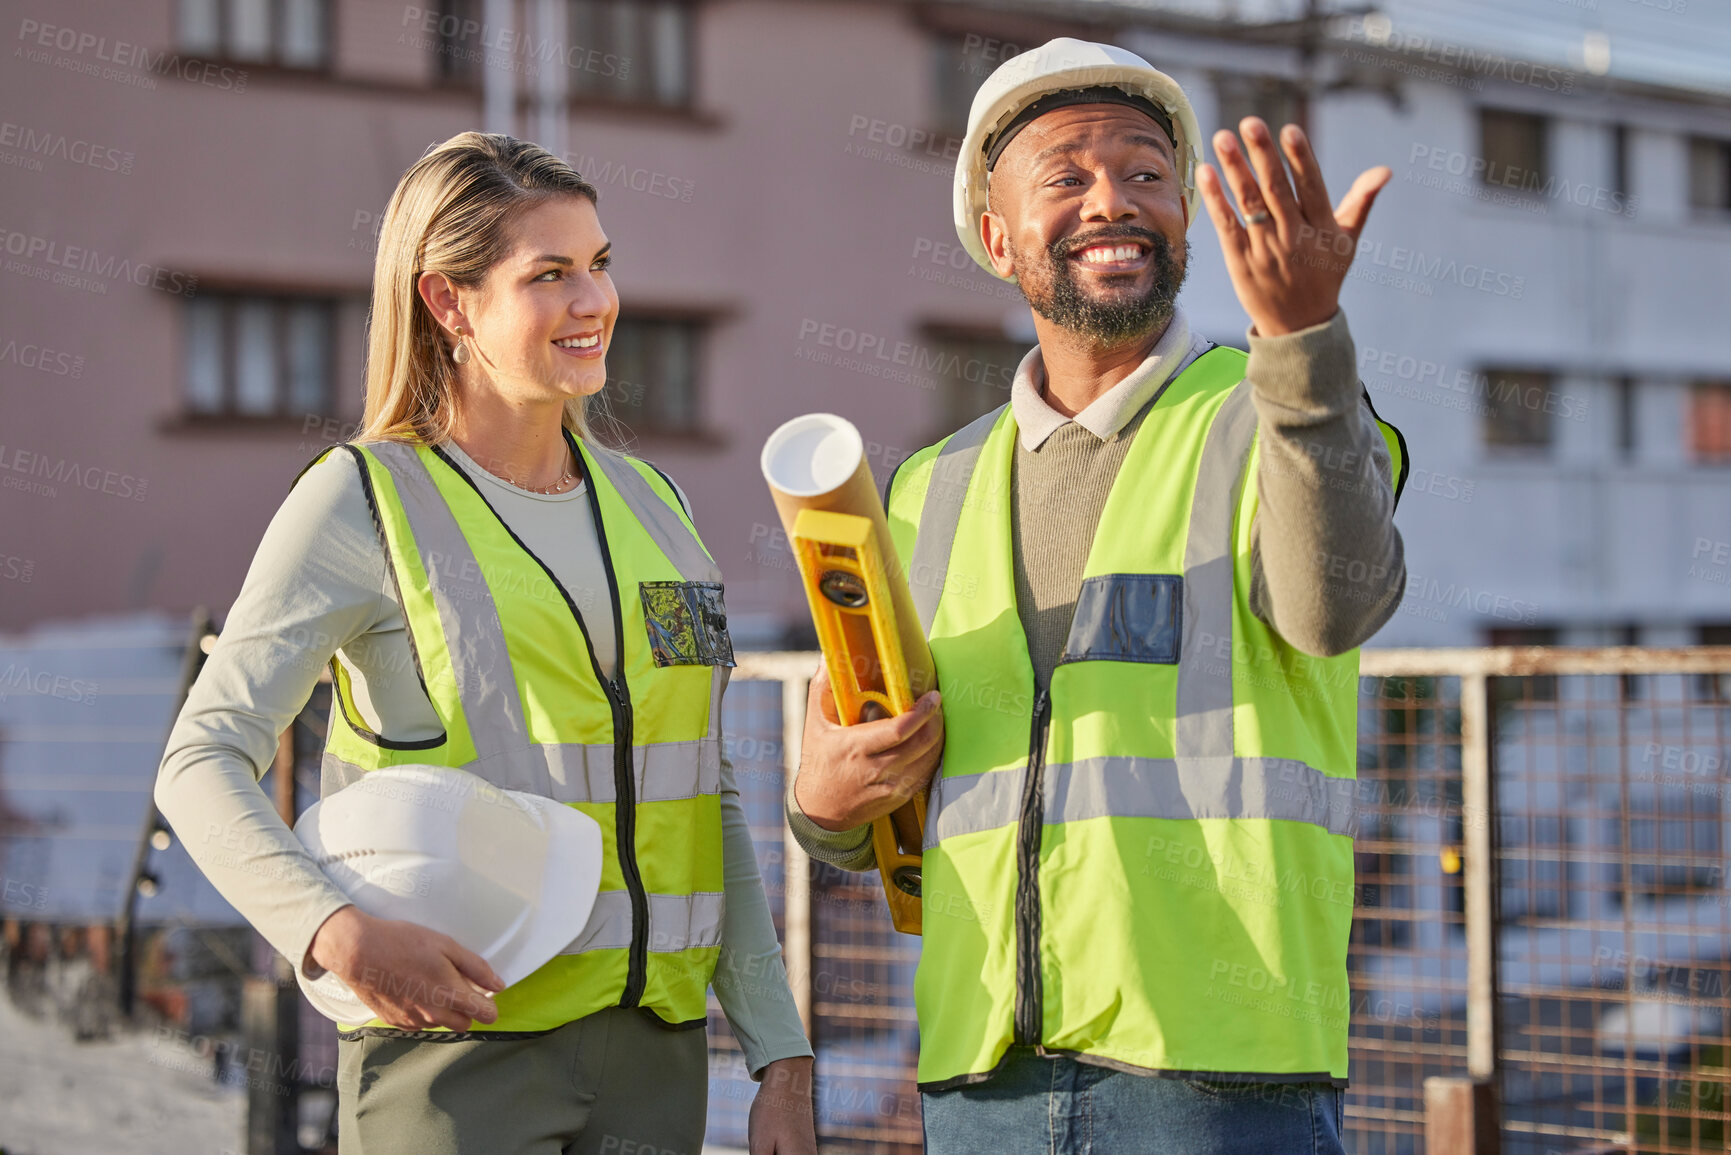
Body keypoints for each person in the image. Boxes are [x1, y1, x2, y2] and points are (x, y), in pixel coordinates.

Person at [785, 39, 1408, 1154]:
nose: (1111, 200)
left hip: (1221, 1074)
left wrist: (1303, 342)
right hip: (982, 1082)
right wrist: (825, 811)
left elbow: (1333, 609)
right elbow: (904, 801)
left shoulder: (1277, 414)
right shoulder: (929, 489)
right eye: (1066, 177)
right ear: (996, 236)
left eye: (1145, 172)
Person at [155, 132, 816, 1155]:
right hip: (458, 1062)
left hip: (658, 1062)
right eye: (548, 275)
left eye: (600, 264)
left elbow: (703, 790)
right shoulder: (363, 501)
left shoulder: (658, 509)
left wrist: (780, 1050)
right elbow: (201, 762)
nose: (593, 301)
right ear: (449, 303)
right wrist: (336, 935)